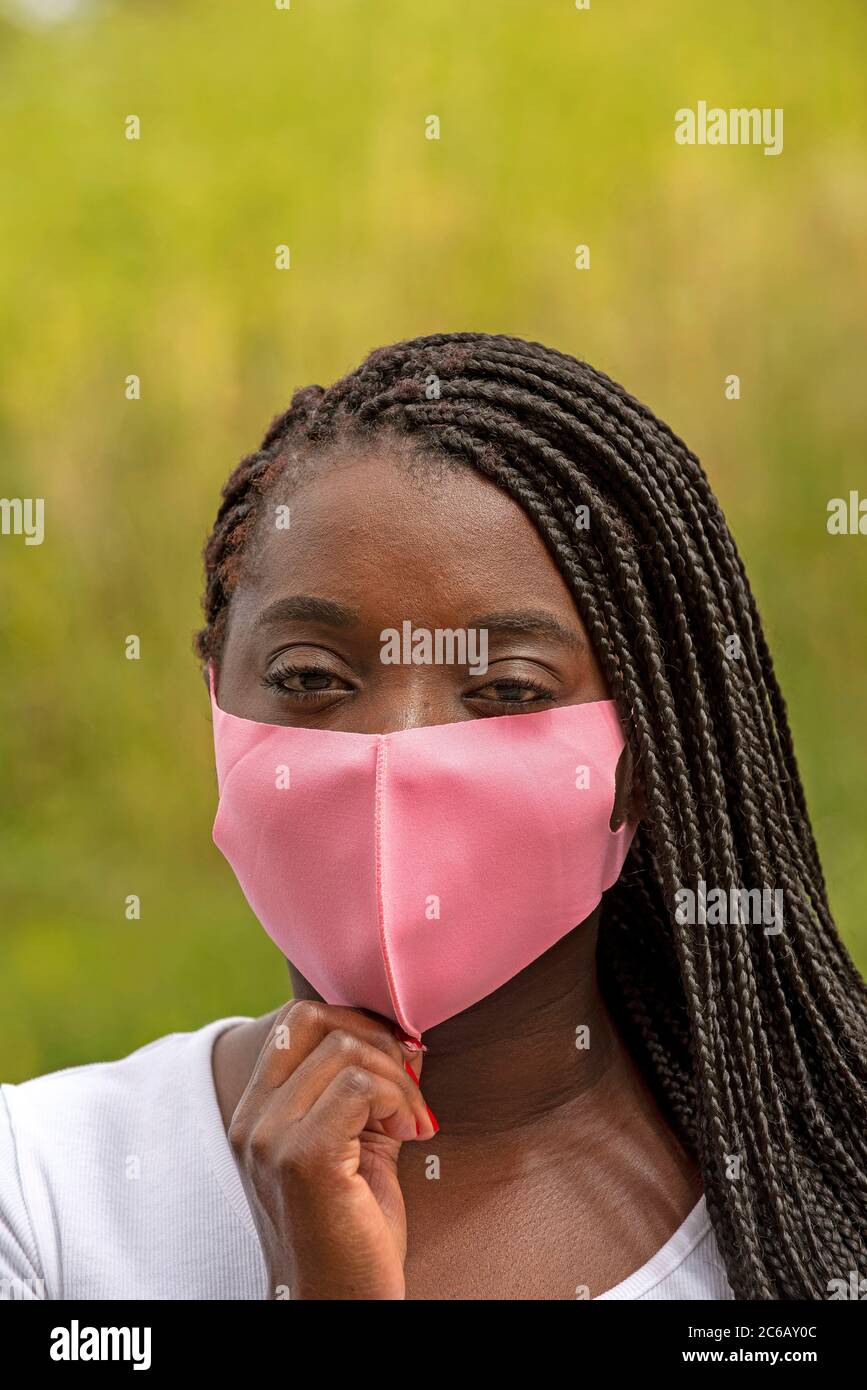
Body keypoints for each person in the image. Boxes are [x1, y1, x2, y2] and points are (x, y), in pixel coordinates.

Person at [2, 332, 865, 1301]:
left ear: (641, 763)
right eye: (310, 677)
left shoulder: (823, 1204)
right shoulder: (43, 1194)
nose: (393, 749)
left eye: (505, 686)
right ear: (217, 706)